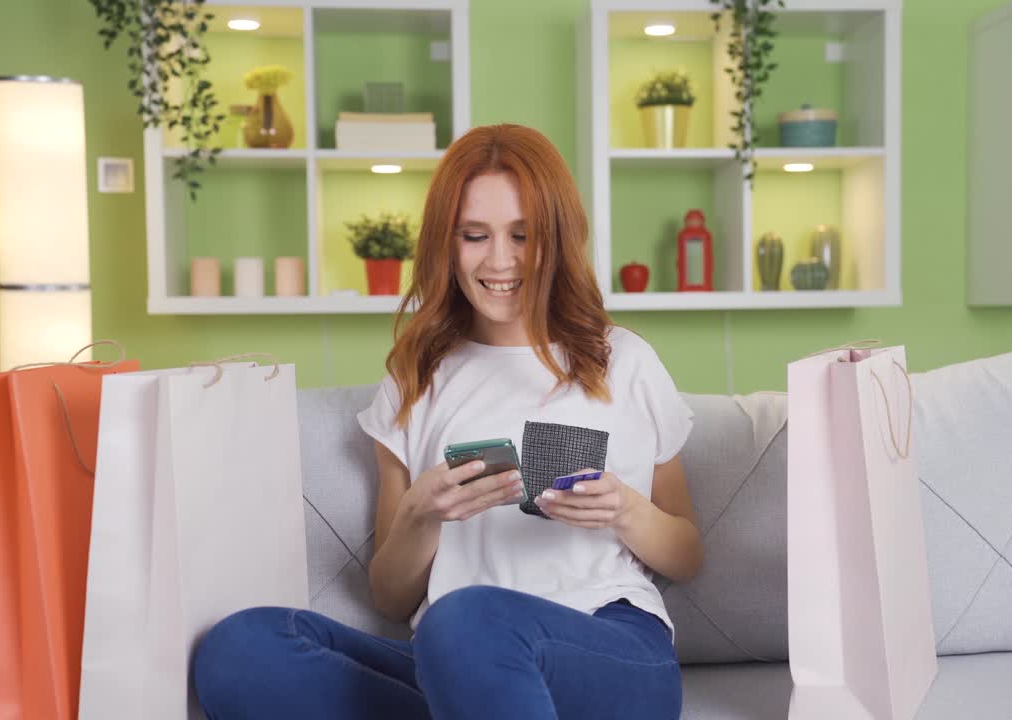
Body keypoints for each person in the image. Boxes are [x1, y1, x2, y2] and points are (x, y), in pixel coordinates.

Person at [191, 124, 702, 720]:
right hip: (453, 657)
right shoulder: (416, 379)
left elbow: (688, 555)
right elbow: (391, 597)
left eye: (523, 235)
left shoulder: (625, 361)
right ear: (446, 243)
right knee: (241, 649)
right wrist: (420, 514)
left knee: (469, 619)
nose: (500, 260)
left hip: (608, 647)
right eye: (475, 236)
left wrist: (628, 512)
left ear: (557, 240)